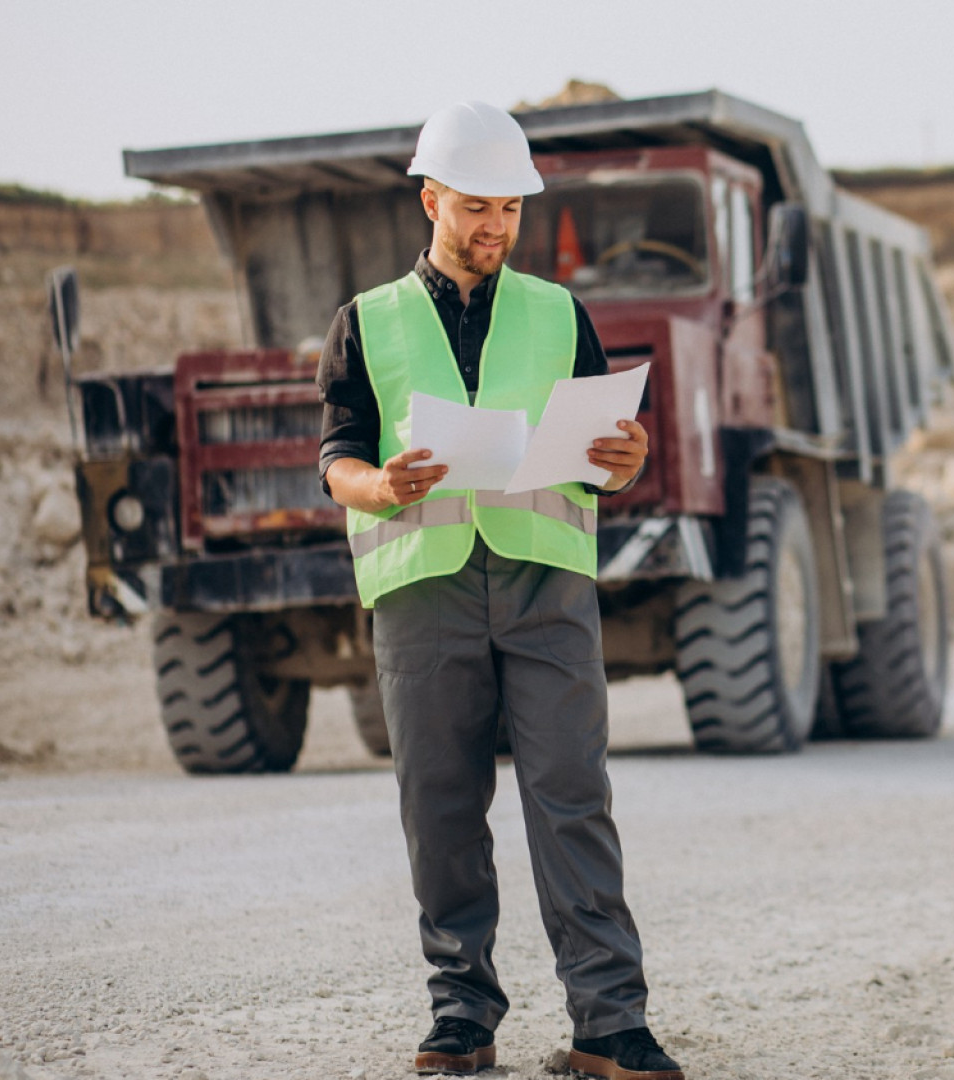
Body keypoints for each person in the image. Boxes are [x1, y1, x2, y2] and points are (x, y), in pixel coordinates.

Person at [317, 100, 684, 1080]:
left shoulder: (562, 314)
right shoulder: (368, 323)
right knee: (440, 807)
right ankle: (461, 1019)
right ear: (430, 200)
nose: (496, 227)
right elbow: (338, 460)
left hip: (545, 583)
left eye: (511, 210)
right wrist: (381, 484)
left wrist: (625, 458)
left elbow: (607, 461)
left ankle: (610, 1024)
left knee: (572, 796)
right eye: (477, 207)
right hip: (424, 590)